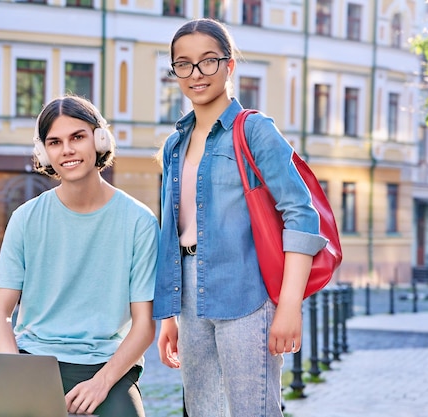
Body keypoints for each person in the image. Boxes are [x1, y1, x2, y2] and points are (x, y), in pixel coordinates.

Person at [153, 18, 328, 417]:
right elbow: (171, 231)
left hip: (247, 294)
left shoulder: (254, 130)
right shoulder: (174, 144)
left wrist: (289, 306)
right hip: (189, 299)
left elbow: (301, 215)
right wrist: (168, 316)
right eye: (184, 64)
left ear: (229, 66)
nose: (196, 74)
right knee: (202, 412)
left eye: (208, 61)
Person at [0, 95, 158, 417]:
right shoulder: (25, 218)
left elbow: (143, 326)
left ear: (99, 140)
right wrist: (16, 373)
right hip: (33, 359)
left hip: (105, 365)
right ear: (45, 151)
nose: (67, 150)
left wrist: (101, 383)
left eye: (77, 137)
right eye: (55, 142)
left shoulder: (140, 221)